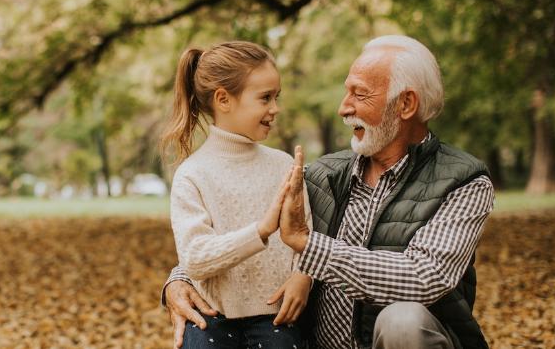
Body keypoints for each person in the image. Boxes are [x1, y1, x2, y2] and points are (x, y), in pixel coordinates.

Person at [163, 36, 495, 349]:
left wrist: (311, 248)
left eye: (359, 94)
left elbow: (426, 277)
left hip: (406, 339)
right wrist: (180, 280)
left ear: (405, 104)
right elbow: (240, 219)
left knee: (402, 321)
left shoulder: (463, 182)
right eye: (345, 92)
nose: (343, 108)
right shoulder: (322, 175)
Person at [161, 41, 313, 349]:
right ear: (223, 99)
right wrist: (260, 230)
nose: (275, 108)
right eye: (265, 98)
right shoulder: (192, 175)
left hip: (276, 317)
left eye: (276, 96)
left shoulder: (282, 164)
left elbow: (306, 234)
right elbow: (195, 259)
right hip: (212, 317)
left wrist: (303, 277)